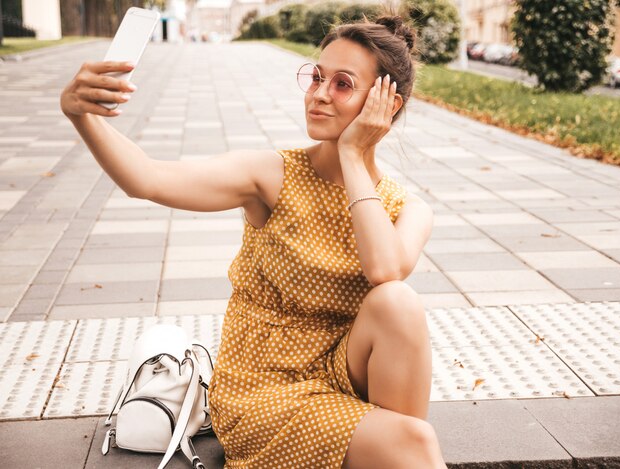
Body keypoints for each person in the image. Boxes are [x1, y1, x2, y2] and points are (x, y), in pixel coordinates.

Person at [60, 12, 445, 469]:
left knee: (397, 303)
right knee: (413, 442)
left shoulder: (408, 209)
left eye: (342, 84)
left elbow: (385, 270)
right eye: (317, 77)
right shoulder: (273, 175)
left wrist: (353, 157)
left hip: (341, 373)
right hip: (262, 390)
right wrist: (78, 114)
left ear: (386, 105)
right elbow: (148, 179)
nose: (318, 95)